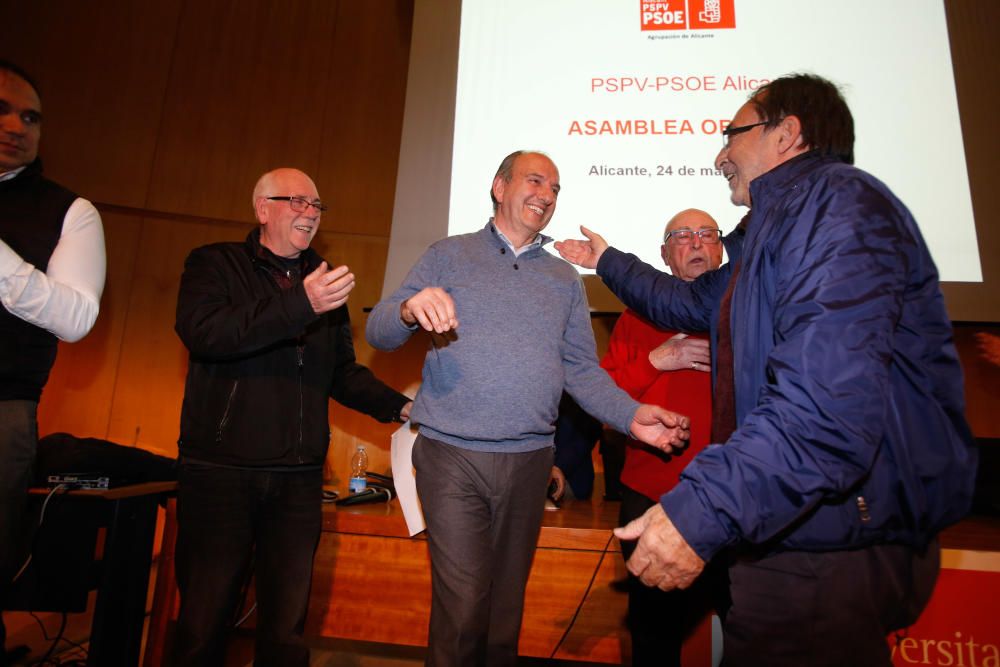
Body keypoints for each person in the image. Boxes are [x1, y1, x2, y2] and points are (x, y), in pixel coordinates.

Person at [555, 74, 978, 666]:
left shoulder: (838, 208)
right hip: (794, 525)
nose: (720, 153)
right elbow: (682, 302)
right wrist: (606, 260)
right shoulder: (774, 234)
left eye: (733, 133)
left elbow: (825, 412)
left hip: (833, 538)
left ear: (788, 134)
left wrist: (703, 510)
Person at [366, 150, 690, 667]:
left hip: (530, 461)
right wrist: (408, 308)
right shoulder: (448, 254)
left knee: (503, 614)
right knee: (465, 604)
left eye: (556, 188)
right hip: (452, 455)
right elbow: (378, 331)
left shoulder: (563, 278)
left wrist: (631, 415)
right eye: (535, 180)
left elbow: (581, 370)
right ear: (499, 187)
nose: (547, 194)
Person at [172, 167, 412, 666]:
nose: (310, 213)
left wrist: (403, 406)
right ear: (263, 209)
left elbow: (340, 373)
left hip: (298, 483)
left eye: (316, 205)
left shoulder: (321, 281)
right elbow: (207, 334)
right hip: (221, 475)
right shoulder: (215, 264)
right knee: (203, 623)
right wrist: (299, 305)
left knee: (285, 632)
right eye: (297, 202)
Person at [0, 61, 106, 663]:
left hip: (3, 406)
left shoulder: (70, 211)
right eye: (3, 109)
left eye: (31, 116)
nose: (16, 125)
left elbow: (74, 318)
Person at [603, 208, 725, 666]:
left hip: (741, 501)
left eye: (706, 234)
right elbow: (604, 404)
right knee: (654, 644)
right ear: (664, 255)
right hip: (653, 498)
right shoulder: (636, 317)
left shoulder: (752, 313)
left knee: (757, 637)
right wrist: (658, 359)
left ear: (721, 249)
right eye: (682, 236)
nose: (696, 243)